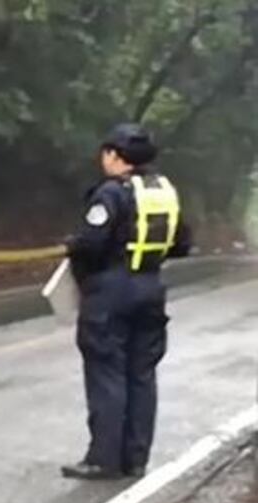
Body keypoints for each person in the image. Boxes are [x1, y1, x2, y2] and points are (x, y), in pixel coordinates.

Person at [61, 123, 192, 480]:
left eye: (106, 152)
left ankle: (104, 459)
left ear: (115, 156)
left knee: (107, 373)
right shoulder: (163, 191)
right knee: (142, 374)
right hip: (151, 286)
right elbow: (182, 244)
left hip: (111, 291)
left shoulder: (111, 193)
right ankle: (135, 459)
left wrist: (73, 246)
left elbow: (91, 243)